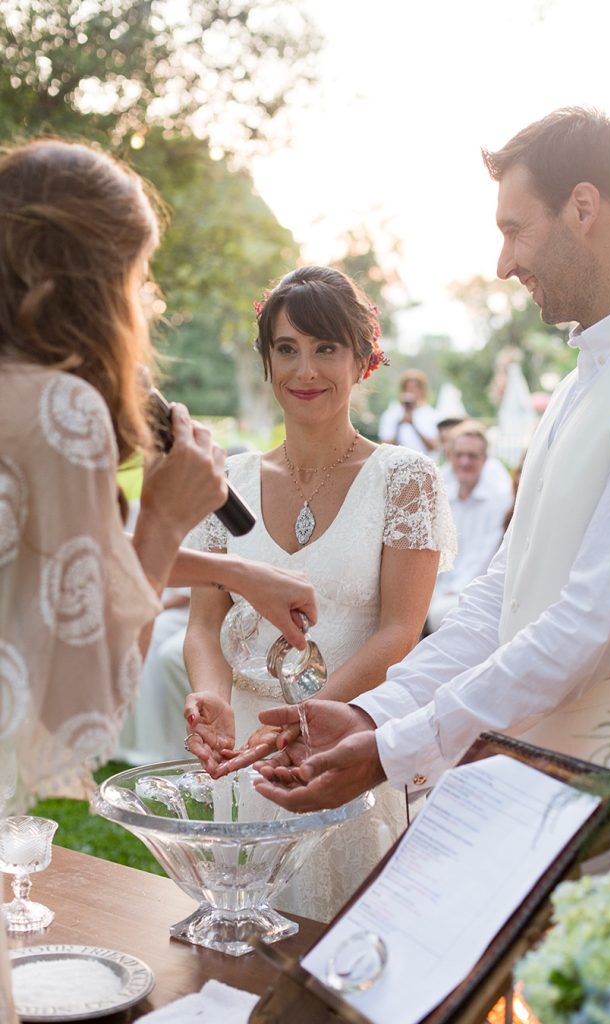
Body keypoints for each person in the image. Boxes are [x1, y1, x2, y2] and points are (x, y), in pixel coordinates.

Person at [249, 107, 610, 814]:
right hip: (530, 790)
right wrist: (373, 714)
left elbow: (588, 626)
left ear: (582, 208)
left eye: (514, 230)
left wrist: (395, 748)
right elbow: (500, 596)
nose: (503, 263)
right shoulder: (580, 382)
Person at [0, 138, 317, 817]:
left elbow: (49, 560)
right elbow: (88, 701)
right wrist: (166, 512)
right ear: (92, 278)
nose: (150, 299)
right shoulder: (63, 409)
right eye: (139, 273)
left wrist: (236, 574)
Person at [183, 265, 455, 920]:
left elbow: (398, 632)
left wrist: (304, 722)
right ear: (267, 360)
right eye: (286, 348)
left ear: (364, 359)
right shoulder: (227, 482)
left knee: (346, 954)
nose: (304, 370)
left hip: (344, 740)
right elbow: (202, 626)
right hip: (245, 752)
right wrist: (208, 697)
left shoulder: (403, 478)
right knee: (240, 949)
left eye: (325, 348)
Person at [426, 421, 512, 632]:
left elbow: (483, 557)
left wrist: (453, 590)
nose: (465, 462)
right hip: (435, 588)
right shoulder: (440, 490)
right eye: (459, 455)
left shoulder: (498, 499)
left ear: (484, 460)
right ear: (450, 456)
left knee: (443, 614)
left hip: (471, 592)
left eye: (472, 456)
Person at [378, 368, 440, 456]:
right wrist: (398, 425)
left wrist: (413, 425)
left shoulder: (432, 415)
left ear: (422, 390)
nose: (411, 391)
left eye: (415, 388)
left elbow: (434, 446)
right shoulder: (391, 413)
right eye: (407, 388)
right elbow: (384, 447)